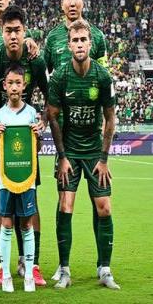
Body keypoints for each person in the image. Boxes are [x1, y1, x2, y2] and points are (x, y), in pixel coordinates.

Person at [46, 19, 119, 290]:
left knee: (104, 207)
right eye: (75, 40)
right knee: (66, 205)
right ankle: (64, 270)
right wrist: (62, 156)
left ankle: (105, 269)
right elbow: (53, 117)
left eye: (83, 40)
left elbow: (110, 119)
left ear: (90, 44)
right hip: (70, 153)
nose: (79, 45)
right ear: (69, 45)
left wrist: (104, 159)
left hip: (94, 153)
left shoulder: (103, 77)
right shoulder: (60, 77)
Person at [43, 0, 108, 280]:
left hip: (91, 137)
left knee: (100, 203)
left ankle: (102, 264)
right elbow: (46, 78)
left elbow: (102, 76)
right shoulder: (52, 38)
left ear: (83, 0)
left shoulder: (98, 37)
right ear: (61, 3)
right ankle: (63, 264)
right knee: (64, 202)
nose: (72, 2)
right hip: (65, 138)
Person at [0, 6, 48, 286]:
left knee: (31, 200)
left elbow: (49, 97)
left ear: (24, 31)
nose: (13, 36)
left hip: (26, 135)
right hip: (1, 135)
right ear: (2, 32)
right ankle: (2, 265)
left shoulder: (35, 60)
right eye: (8, 30)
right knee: (0, 199)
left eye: (18, 30)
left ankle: (32, 264)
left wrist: (43, 121)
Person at [0, 64, 42, 293]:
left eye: (18, 83)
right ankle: (6, 274)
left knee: (27, 224)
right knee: (6, 224)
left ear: (24, 86)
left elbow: (36, 149)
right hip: (6, 179)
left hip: (27, 178)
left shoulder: (31, 112)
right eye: (10, 83)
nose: (14, 87)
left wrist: (38, 135)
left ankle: (29, 274)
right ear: (4, 85)